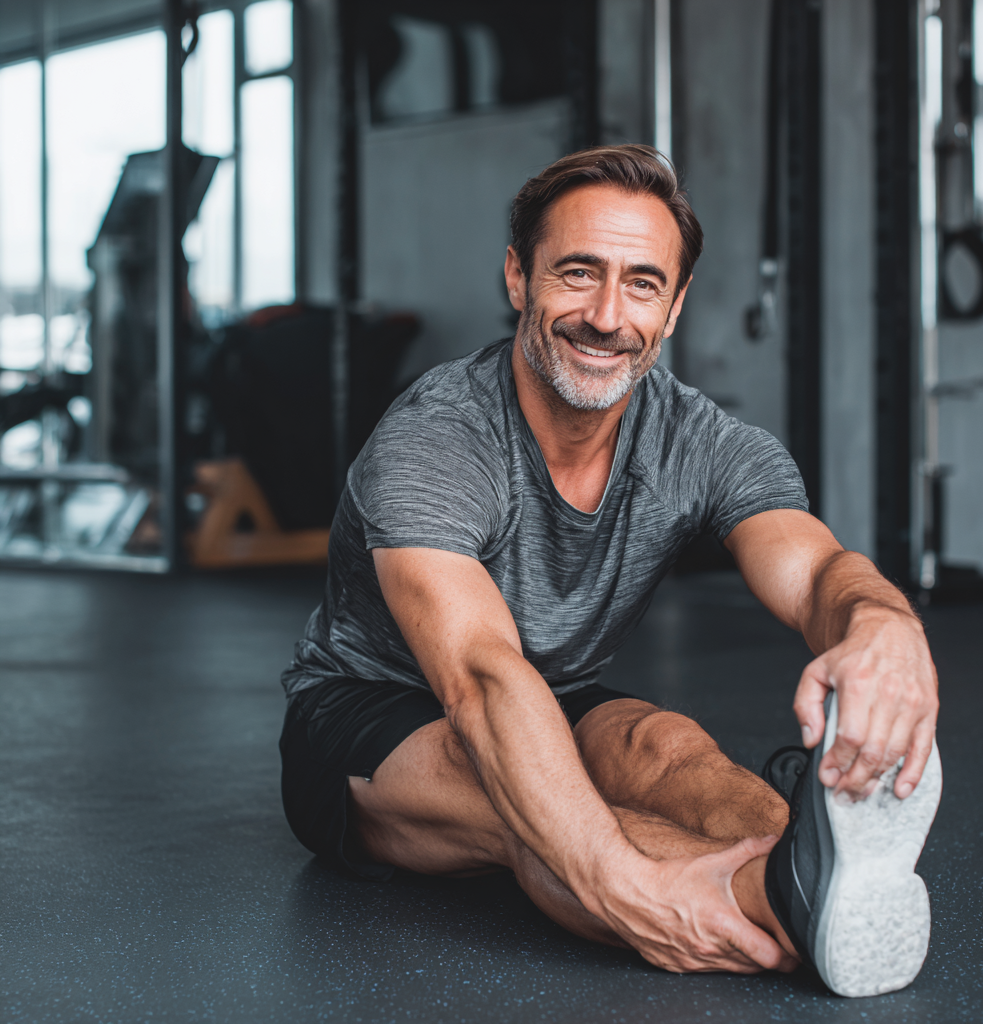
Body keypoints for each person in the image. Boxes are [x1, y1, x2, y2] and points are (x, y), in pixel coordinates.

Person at [279, 145, 942, 998]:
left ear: (673, 307)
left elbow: (815, 572)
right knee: (540, 810)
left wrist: (883, 626)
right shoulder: (436, 437)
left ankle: (819, 852)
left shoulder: (698, 439)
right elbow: (481, 676)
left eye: (641, 283)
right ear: (519, 277)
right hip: (364, 718)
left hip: (551, 688)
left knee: (664, 747)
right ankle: (787, 896)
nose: (605, 314)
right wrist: (621, 887)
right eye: (578, 273)